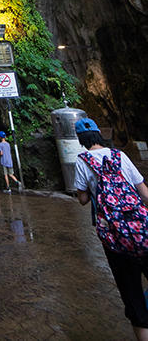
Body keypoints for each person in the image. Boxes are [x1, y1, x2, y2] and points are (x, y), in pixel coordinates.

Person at [75, 116, 148, 340]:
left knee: (131, 294)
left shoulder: (83, 161)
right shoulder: (120, 155)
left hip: (115, 237)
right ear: (99, 135)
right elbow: (144, 192)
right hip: (142, 230)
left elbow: (83, 200)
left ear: (81, 140)